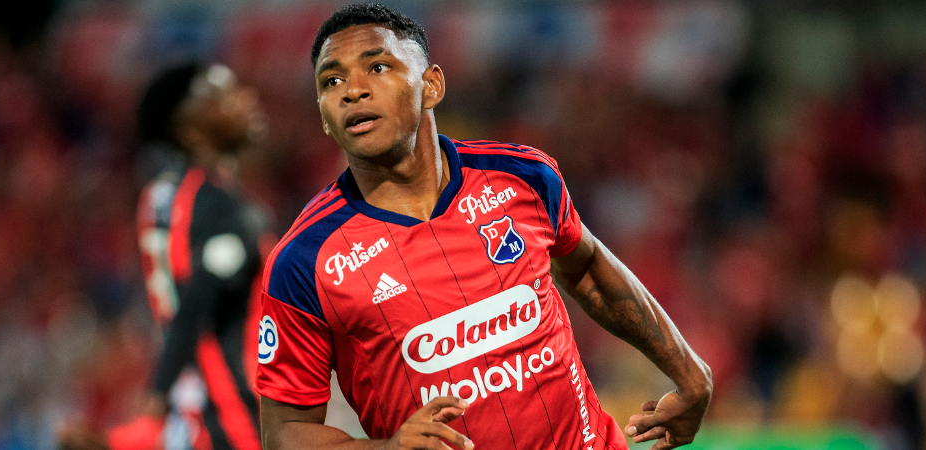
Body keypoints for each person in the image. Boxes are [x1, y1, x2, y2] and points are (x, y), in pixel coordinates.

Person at [255, 4, 712, 450]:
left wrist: (689, 373)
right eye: (332, 81)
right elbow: (286, 430)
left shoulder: (521, 176)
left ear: (432, 85)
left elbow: (586, 267)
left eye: (377, 67)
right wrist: (389, 448)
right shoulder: (303, 260)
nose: (353, 90)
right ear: (324, 115)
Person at [127, 61, 268, 450]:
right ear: (190, 130)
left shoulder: (159, 198)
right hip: (234, 423)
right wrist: (150, 410)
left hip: (188, 420)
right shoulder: (223, 207)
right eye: (222, 93)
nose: (246, 98)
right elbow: (196, 303)